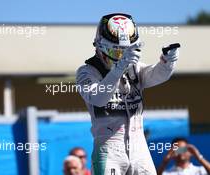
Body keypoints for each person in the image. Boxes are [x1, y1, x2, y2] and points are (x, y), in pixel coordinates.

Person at [76, 13, 179, 175]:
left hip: (139, 147)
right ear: (100, 46)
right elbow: (98, 98)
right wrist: (119, 68)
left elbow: (155, 75)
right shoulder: (86, 72)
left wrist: (168, 62)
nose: (123, 57)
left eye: (126, 52)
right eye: (118, 52)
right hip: (109, 148)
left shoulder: (134, 68)